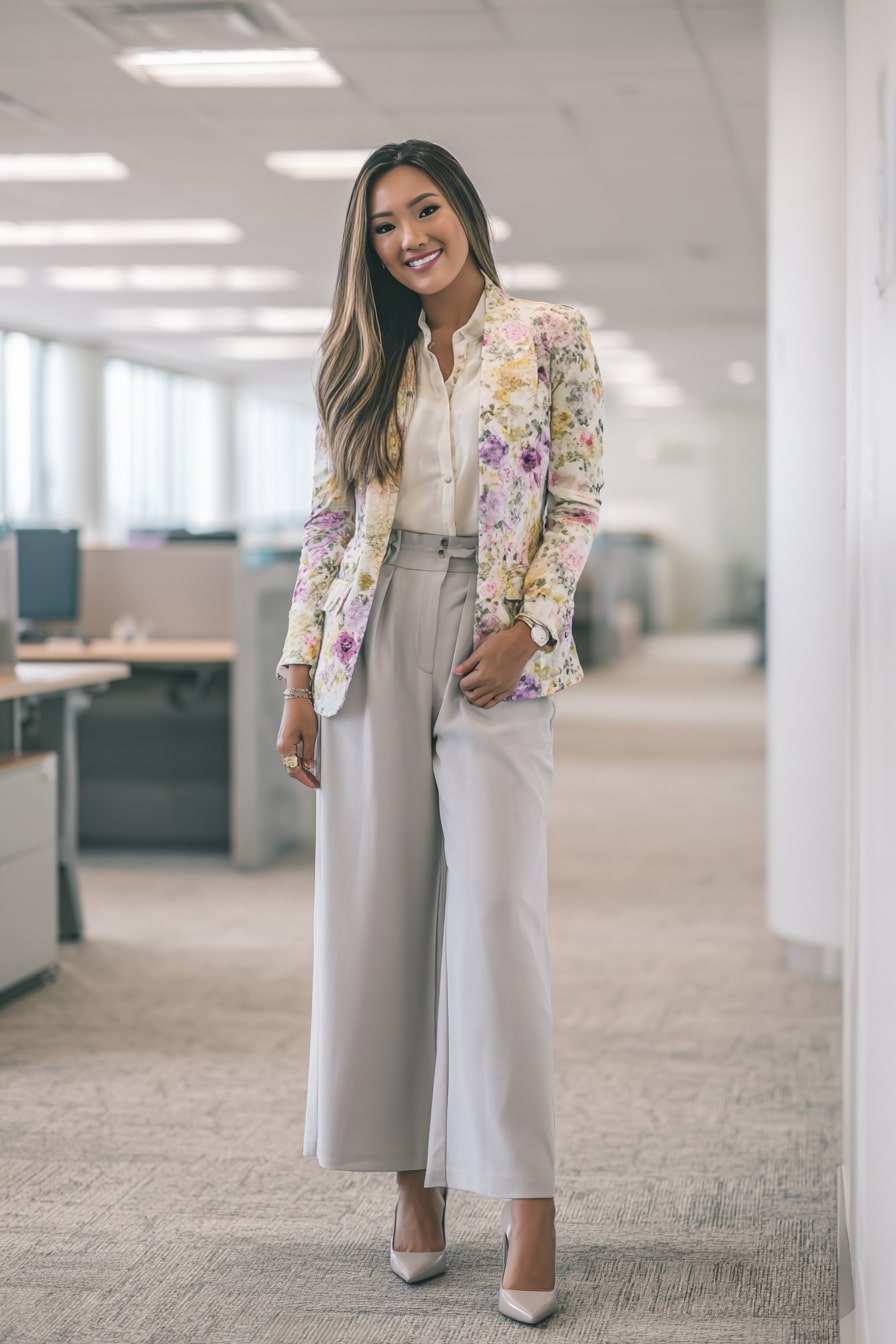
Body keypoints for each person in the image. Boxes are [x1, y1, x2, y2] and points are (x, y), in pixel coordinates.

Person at [275, 138, 604, 1326]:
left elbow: (574, 499)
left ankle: (527, 1201)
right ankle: (411, 1188)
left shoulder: (551, 336)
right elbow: (323, 528)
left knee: (496, 915)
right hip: (371, 631)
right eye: (383, 224)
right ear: (365, 246)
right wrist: (299, 675)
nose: (409, 236)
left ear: (464, 210)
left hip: (494, 636)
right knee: (382, 917)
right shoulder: (359, 359)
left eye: (425, 210)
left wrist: (526, 620)